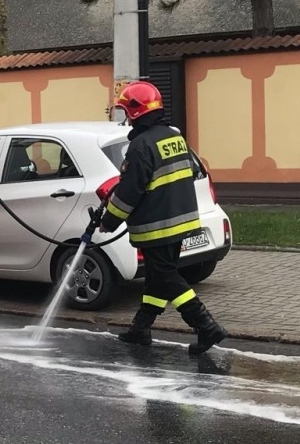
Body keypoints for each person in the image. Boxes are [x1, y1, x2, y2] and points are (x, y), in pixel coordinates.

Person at [91, 81, 229, 355]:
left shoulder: (140, 146)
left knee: (166, 277)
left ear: (135, 112)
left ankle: (206, 325)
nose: (125, 118)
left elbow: (130, 193)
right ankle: (140, 329)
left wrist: (109, 221)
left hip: (157, 226)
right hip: (181, 221)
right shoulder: (173, 137)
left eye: (125, 111)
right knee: (157, 278)